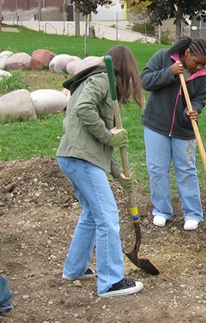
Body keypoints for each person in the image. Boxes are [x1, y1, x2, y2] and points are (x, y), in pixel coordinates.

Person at [56, 45, 144, 298]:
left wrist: (118, 174)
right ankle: (111, 282)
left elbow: (100, 146)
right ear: (126, 68)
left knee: (93, 215)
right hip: (79, 159)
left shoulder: (105, 84)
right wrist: (108, 135)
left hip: (76, 157)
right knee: (107, 215)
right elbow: (84, 108)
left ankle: (74, 269)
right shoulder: (102, 79)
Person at [141, 37, 206, 229]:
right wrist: (169, 72)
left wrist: (193, 111)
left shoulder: (203, 75)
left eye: (204, 64)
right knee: (157, 169)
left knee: (187, 170)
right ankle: (162, 210)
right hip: (157, 124)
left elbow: (200, 99)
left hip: (184, 129)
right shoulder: (164, 57)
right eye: (197, 62)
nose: (200, 67)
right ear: (187, 53)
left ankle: (193, 213)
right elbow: (145, 81)